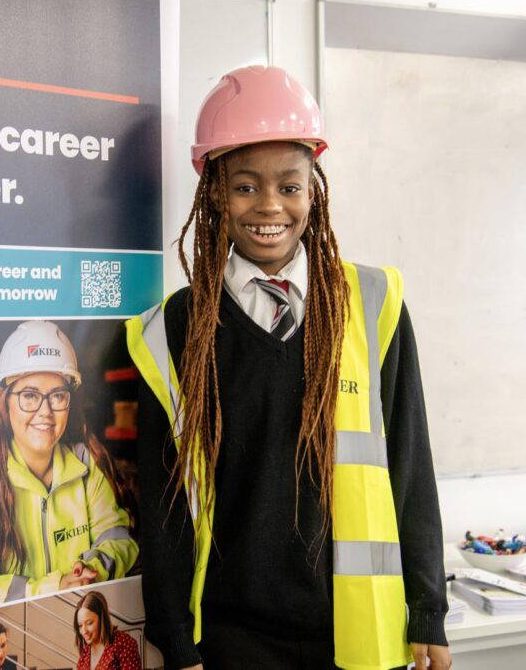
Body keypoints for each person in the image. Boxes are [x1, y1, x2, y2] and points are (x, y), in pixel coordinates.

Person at [128, 66, 452, 669]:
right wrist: (176, 640)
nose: (269, 206)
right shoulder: (174, 330)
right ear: (213, 195)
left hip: (358, 636)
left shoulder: (373, 303)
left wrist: (427, 608)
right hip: (232, 640)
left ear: (314, 192)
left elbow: (411, 462)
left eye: (290, 186)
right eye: (245, 187)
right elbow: (165, 503)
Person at [0, 320, 138, 618]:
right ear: (4, 399)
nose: (45, 411)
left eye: (58, 395)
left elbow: (116, 537)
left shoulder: (85, 464)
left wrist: (93, 569)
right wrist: (48, 589)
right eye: (29, 395)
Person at [74, 590, 142, 670]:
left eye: (89, 623)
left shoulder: (123, 643)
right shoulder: (85, 652)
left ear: (102, 618)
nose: (84, 631)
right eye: (80, 626)